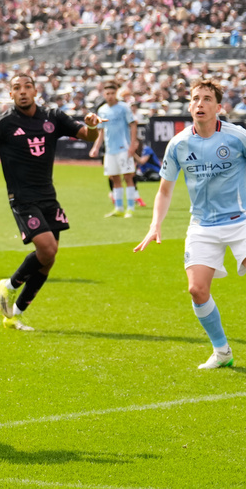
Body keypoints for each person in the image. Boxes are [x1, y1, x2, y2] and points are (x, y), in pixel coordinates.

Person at [0, 73, 102, 331]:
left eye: (27, 86)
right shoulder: (5, 123)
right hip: (22, 198)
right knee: (48, 249)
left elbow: (87, 135)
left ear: (35, 90)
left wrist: (93, 126)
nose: (23, 92)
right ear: (11, 94)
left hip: (48, 196)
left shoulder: (52, 117)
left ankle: (13, 315)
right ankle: (9, 285)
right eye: (17, 88)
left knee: (48, 259)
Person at [134, 79, 246, 369]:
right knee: (197, 290)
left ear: (218, 107)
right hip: (202, 226)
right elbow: (165, 190)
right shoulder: (179, 144)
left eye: (207, 99)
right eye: (196, 98)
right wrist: (154, 225)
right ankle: (222, 352)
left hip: (241, 221)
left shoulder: (237, 137)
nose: (200, 103)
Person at [88, 82, 141, 217]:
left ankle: (130, 207)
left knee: (128, 176)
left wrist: (132, 144)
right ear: (104, 95)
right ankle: (119, 208)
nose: (110, 96)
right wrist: (95, 147)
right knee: (114, 178)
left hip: (124, 148)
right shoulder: (102, 110)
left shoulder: (123, 108)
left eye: (112, 93)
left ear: (116, 93)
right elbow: (101, 132)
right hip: (110, 150)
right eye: (107, 94)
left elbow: (133, 125)